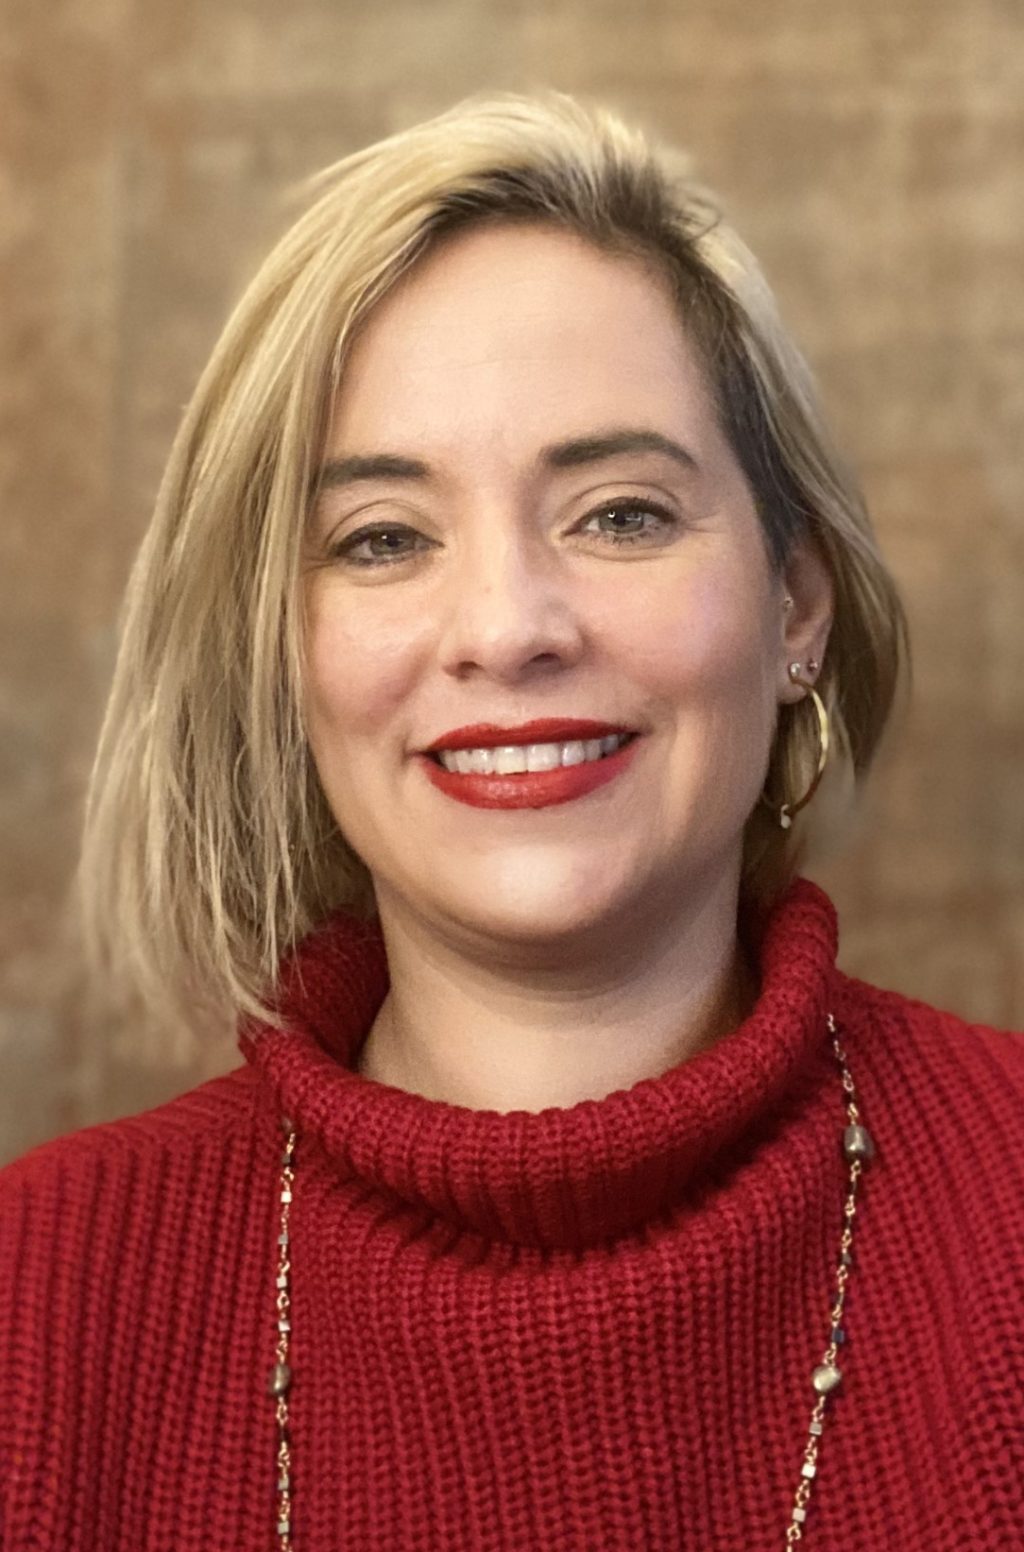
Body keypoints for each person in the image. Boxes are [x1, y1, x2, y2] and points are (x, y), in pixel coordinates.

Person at [1, 89, 1021, 1552]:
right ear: (280, 654)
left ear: (797, 606)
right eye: (384, 540)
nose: (506, 627)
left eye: (620, 513)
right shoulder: (36, 1302)